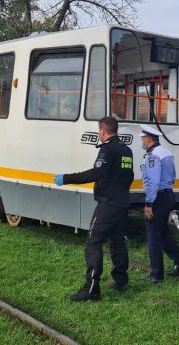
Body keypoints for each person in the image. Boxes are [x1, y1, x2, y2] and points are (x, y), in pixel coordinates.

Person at [54, 116, 134, 301]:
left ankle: (91, 288)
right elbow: (129, 176)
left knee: (93, 242)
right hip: (122, 203)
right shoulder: (126, 150)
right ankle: (121, 281)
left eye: (99, 131)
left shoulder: (107, 150)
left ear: (103, 131)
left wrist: (66, 178)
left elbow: (97, 173)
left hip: (108, 204)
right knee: (117, 241)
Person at [140, 124, 179, 283]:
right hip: (168, 196)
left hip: (157, 199)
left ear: (148, 139)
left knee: (153, 237)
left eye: (142, 139)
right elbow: (172, 176)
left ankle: (156, 274)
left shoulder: (154, 156)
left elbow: (153, 182)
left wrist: (148, 203)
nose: (142, 141)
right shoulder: (166, 152)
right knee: (163, 233)